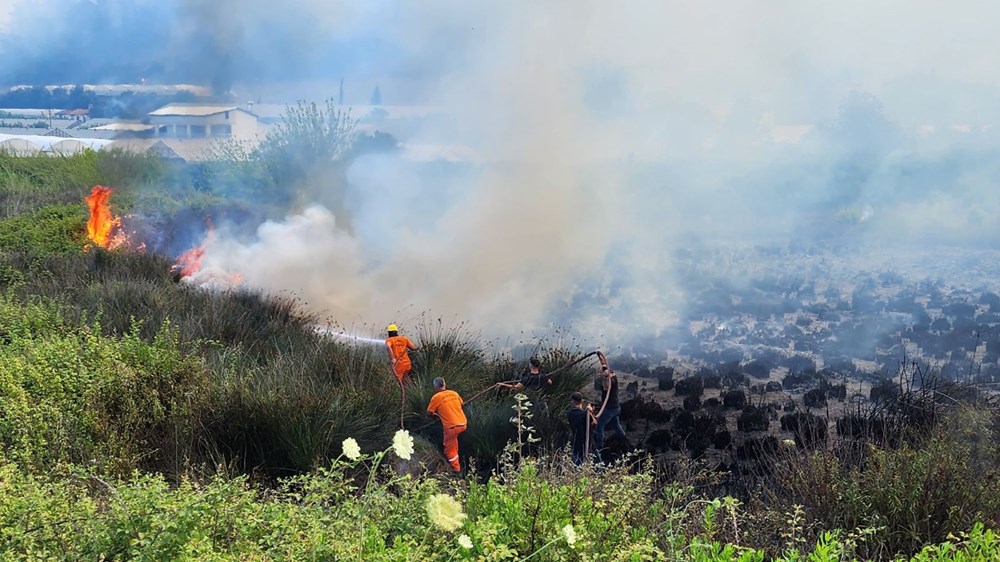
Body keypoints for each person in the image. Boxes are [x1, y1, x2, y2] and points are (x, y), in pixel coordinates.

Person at [426, 377, 467, 474]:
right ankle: (458, 462)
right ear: (444, 384)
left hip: (451, 427)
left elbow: (429, 412)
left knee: (449, 449)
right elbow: (461, 404)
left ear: (435, 387)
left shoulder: (436, 397)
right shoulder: (454, 393)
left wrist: (436, 416)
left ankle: (456, 469)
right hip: (463, 423)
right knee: (453, 443)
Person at [594, 362, 626, 457]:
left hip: (610, 408)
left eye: (600, 372)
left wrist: (605, 377)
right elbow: (603, 362)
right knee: (616, 425)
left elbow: (606, 387)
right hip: (615, 407)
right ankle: (623, 438)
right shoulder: (611, 376)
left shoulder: (611, 379)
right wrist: (599, 355)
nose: (599, 373)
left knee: (599, 427)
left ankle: (599, 448)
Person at [566, 392, 594, 465]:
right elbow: (594, 422)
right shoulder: (584, 414)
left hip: (575, 439)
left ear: (572, 402)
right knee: (589, 457)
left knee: (576, 458)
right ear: (582, 401)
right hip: (585, 439)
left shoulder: (569, 413)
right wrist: (590, 412)